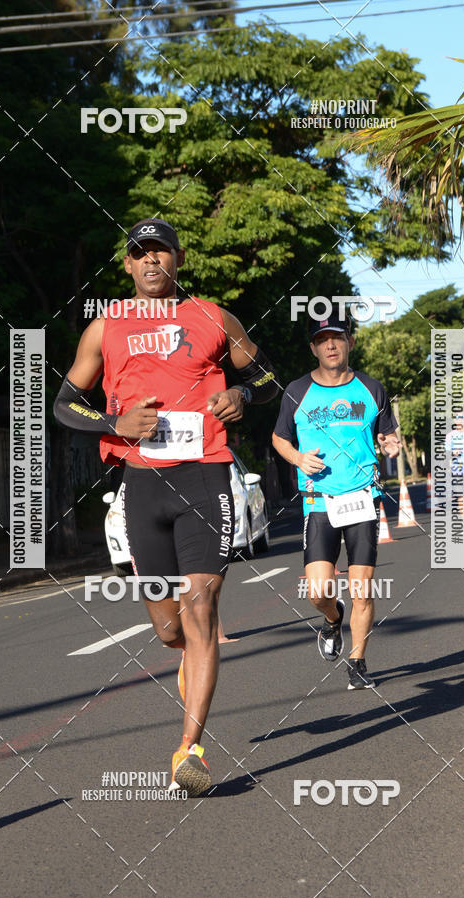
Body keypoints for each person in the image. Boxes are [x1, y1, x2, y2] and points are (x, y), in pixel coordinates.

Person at [54, 218, 278, 796]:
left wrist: (240, 392)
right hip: (142, 485)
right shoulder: (106, 327)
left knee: (201, 615)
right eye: (140, 253)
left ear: (179, 258)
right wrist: (114, 422)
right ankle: (189, 666)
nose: (151, 261)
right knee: (167, 629)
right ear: (127, 265)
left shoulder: (212, 317)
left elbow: (269, 378)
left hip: (205, 476)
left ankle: (190, 749)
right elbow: (63, 405)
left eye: (161, 251)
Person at [271, 311, 401, 690]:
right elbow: (279, 438)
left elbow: (389, 434)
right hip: (319, 502)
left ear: (350, 342)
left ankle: (358, 662)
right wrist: (297, 458)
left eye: (338, 337)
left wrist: (391, 444)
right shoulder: (296, 391)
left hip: (363, 497)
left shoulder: (372, 388)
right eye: (322, 339)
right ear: (313, 347)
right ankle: (332, 618)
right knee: (317, 591)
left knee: (363, 586)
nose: (331, 344)